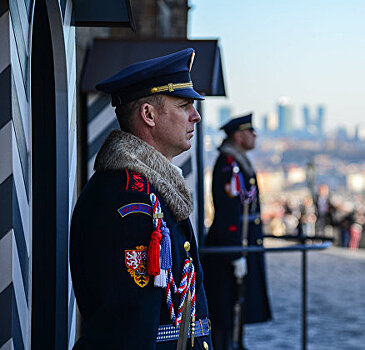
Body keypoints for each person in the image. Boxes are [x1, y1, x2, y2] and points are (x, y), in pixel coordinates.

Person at [70, 49, 213, 349]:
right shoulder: (128, 199)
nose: (196, 116)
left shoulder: (152, 189)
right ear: (148, 115)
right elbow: (129, 327)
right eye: (184, 105)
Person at [203, 114, 272, 350]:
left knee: (238, 303)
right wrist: (235, 254)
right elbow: (229, 213)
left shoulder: (239, 162)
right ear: (238, 136)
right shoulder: (229, 165)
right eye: (250, 132)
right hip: (231, 245)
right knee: (226, 307)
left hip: (242, 242)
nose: (255, 136)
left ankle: (236, 343)